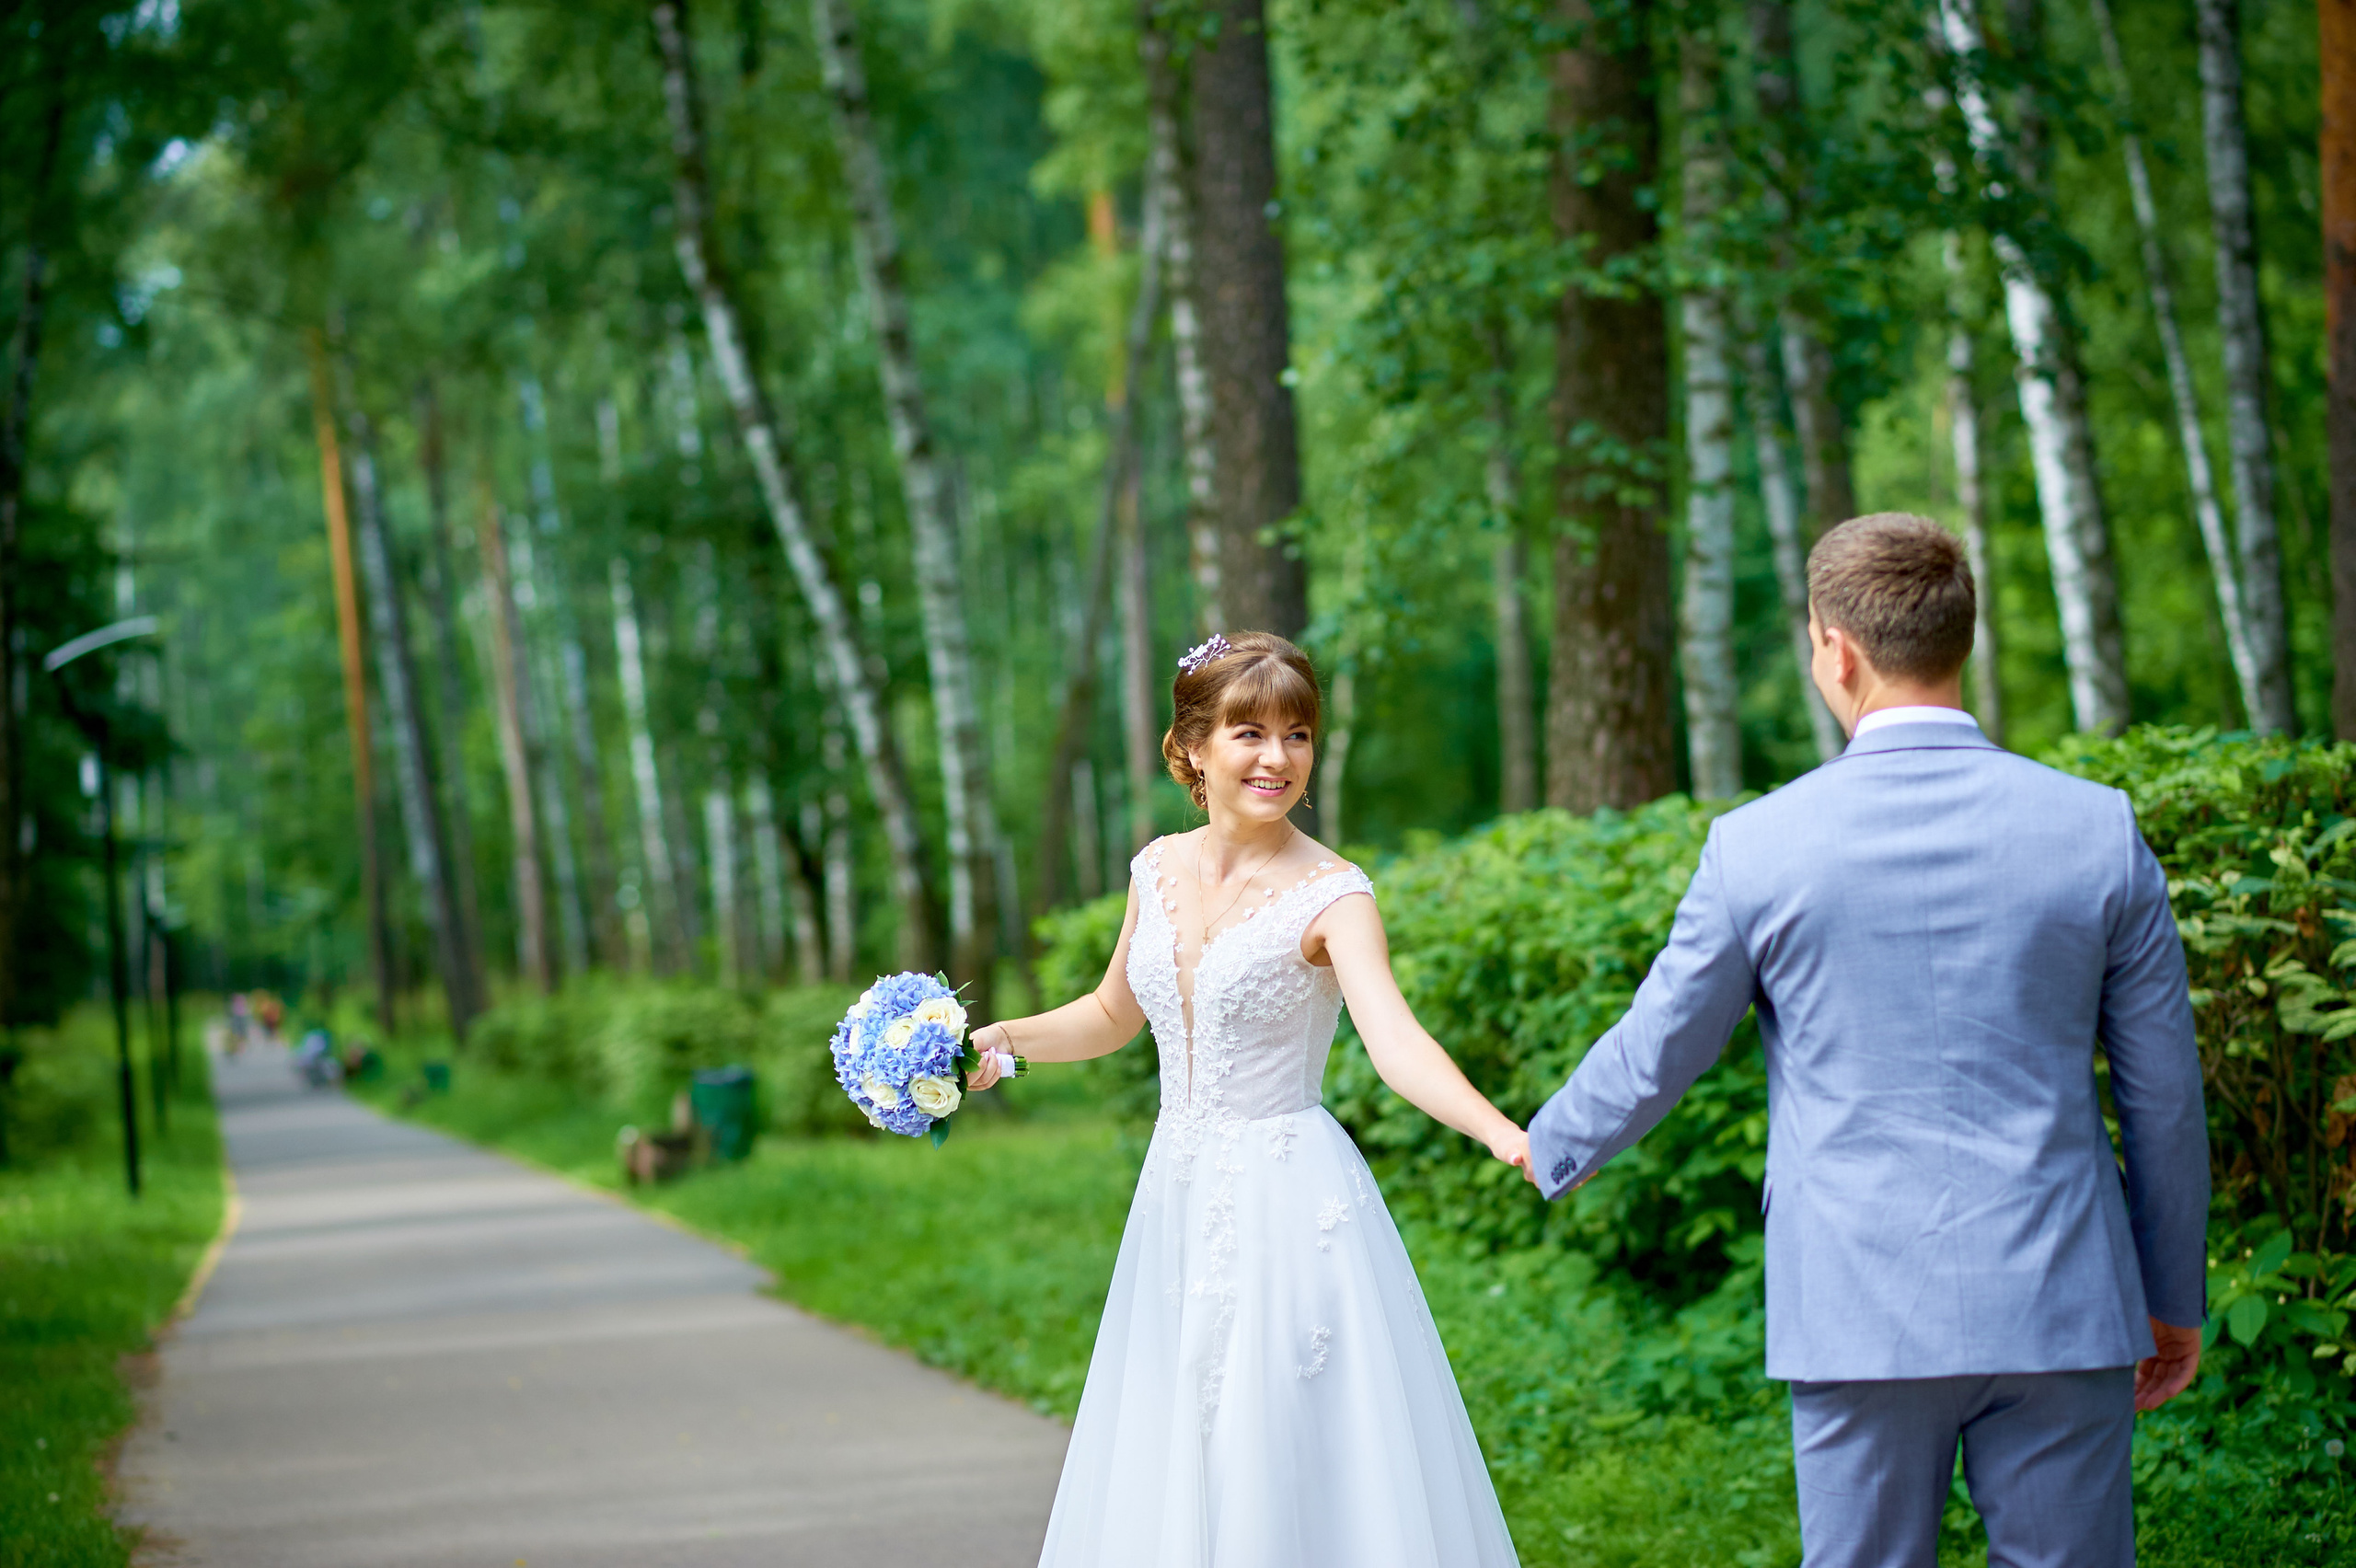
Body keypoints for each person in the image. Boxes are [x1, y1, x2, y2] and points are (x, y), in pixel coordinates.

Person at [1525, 513, 2210, 1568]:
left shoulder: (1755, 847)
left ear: (1835, 649)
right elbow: (2163, 1096)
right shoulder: (2096, 829)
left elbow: (1662, 1044)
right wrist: (2172, 1300)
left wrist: (1546, 1143)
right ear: (1959, 640)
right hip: (2062, 1294)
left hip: (1857, 1305)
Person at [965, 630, 1528, 1567]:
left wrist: (1500, 1130)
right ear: (1188, 747)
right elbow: (1113, 1013)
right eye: (1248, 732)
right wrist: (1006, 1040)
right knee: (1177, 1444)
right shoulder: (1155, 869)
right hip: (1176, 1197)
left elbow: (1395, 1042)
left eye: (1298, 735)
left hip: (1286, 1201)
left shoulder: (1333, 894)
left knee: (1276, 1448)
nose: (1277, 758)